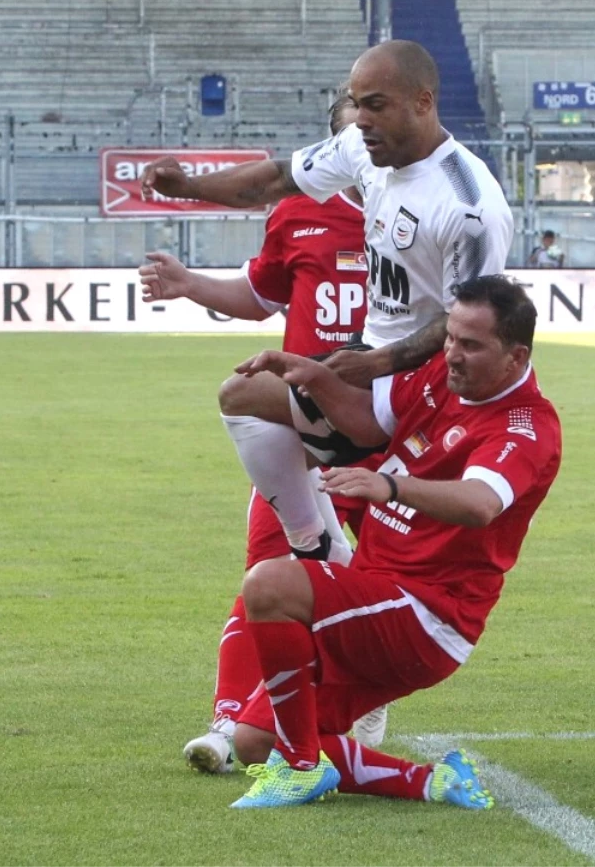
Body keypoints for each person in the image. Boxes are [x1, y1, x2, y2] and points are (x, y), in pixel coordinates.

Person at [140, 40, 514, 572]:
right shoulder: (362, 149)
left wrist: (377, 362)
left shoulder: (469, 206)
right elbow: (272, 179)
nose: (360, 120)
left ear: (423, 102)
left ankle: (315, 544)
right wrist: (188, 187)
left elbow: (467, 321)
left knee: (248, 401)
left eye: (375, 105)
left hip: (424, 382)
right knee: (250, 403)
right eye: (356, 104)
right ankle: (317, 547)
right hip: (374, 360)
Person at [221, 275, 560, 809]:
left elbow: (479, 503)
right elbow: (364, 420)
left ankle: (302, 769)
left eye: (471, 345)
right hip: (375, 590)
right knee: (254, 741)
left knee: (270, 585)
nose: (452, 354)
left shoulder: (526, 425)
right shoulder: (437, 377)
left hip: (427, 614)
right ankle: (435, 781)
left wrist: (389, 485)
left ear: (516, 357)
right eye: (450, 337)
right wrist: (315, 376)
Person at [138, 93, 386, 769]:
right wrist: (190, 284)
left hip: (396, 432)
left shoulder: (420, 219)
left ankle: (354, 698)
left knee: (390, 585)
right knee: (271, 577)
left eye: (374, 133)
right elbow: (261, 295)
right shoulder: (300, 211)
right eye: (350, 139)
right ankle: (230, 727)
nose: (364, 148)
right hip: (303, 433)